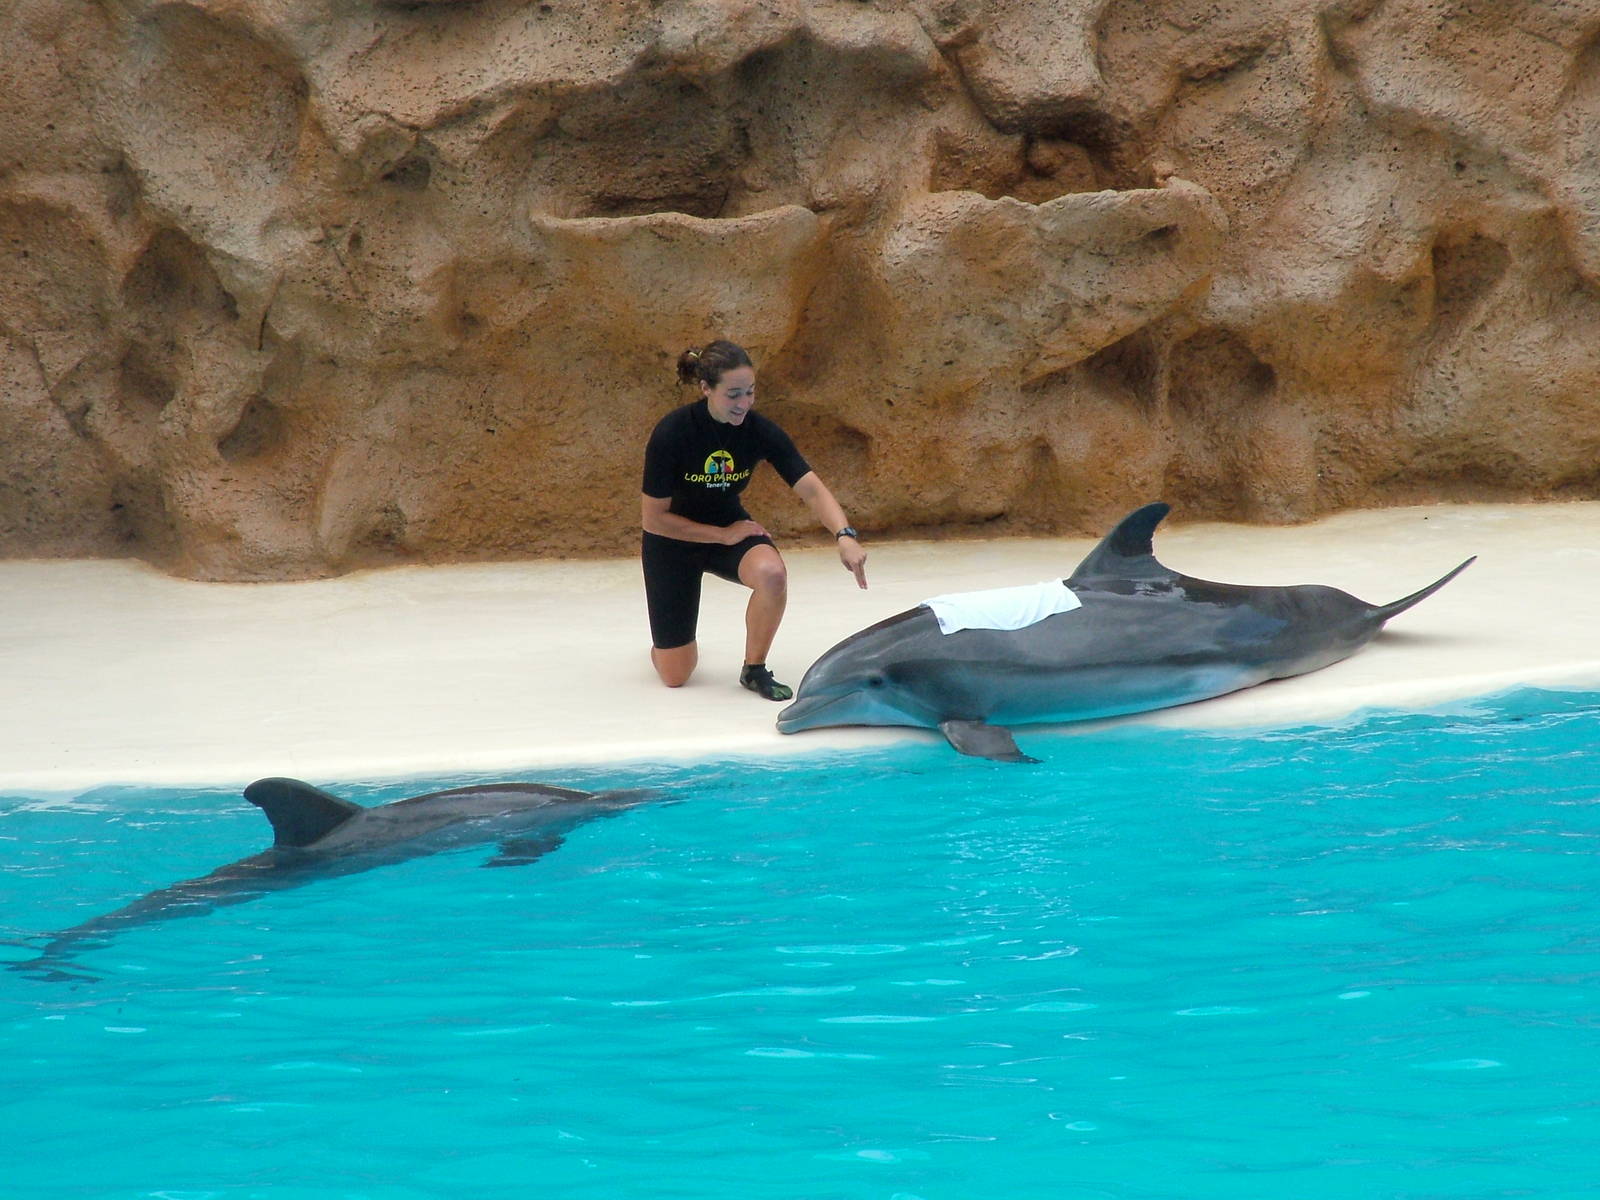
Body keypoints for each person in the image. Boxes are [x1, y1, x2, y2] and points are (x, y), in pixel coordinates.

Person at [640, 339, 868, 700]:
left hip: (730, 527)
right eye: (733, 394)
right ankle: (664, 646)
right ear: (706, 389)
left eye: (750, 392)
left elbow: (811, 488)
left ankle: (754, 668)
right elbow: (654, 520)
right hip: (673, 543)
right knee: (675, 674)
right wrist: (721, 535)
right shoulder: (673, 432)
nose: (744, 403)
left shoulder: (758, 430)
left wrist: (845, 535)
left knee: (772, 574)